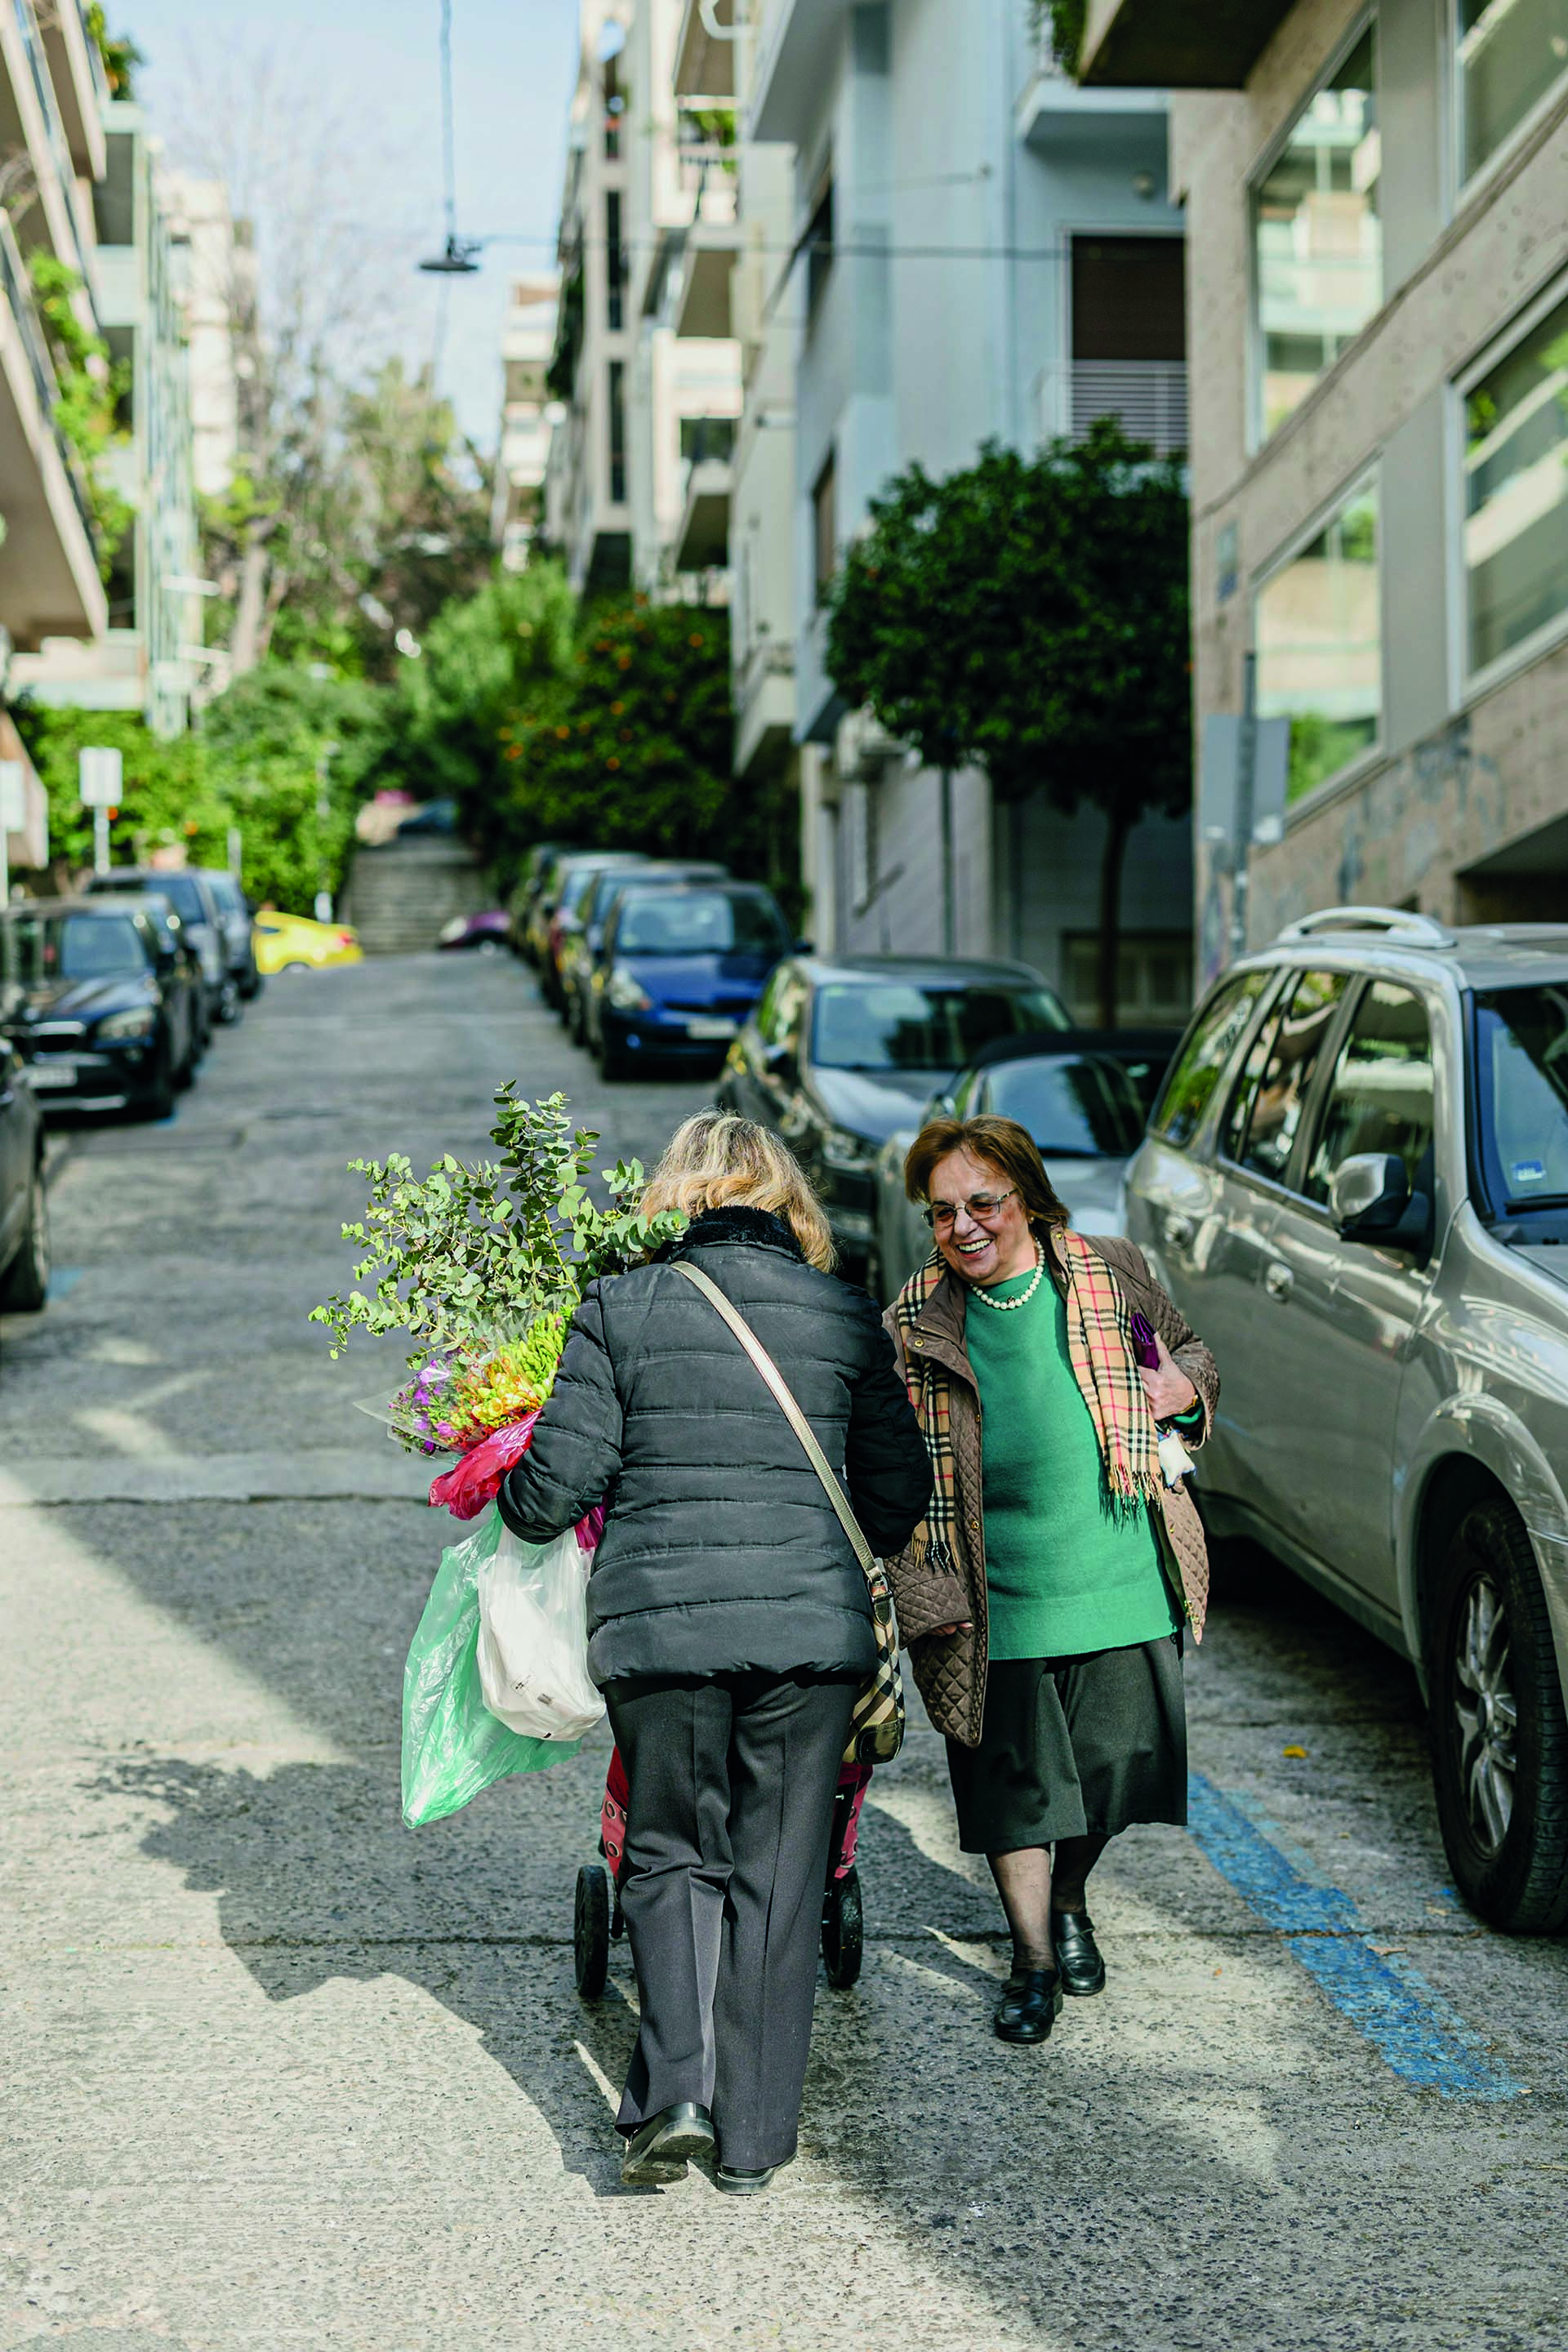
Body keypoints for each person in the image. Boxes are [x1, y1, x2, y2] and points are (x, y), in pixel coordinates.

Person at [499, 1111, 929, 2189]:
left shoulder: (622, 1308)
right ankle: (750, 2148)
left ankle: (676, 2092)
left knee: (668, 1851)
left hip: (664, 1632)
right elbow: (898, 1492)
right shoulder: (842, 1314)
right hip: (809, 1640)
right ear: (790, 1207)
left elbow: (553, 1492)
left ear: (675, 1200)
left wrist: (502, 1485)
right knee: (779, 1879)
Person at [883, 1114, 1217, 2044]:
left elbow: (1194, 1354)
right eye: (942, 1212)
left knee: (1114, 1771)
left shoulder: (1110, 1271)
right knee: (1016, 1787)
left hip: (1116, 1570)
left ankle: (1070, 1897)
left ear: (1025, 1197)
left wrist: (1181, 1389)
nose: (964, 1227)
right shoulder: (913, 1318)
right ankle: (1032, 1958)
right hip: (996, 1595)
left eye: (982, 1203)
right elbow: (882, 1453)